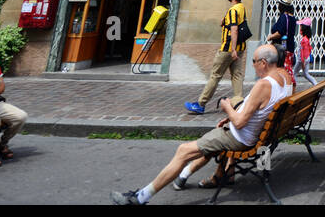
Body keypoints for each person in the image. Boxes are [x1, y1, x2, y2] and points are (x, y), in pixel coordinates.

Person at [113, 44, 292, 203]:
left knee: (183, 151)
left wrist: (226, 106)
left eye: (253, 61)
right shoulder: (285, 78)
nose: (252, 65)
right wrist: (232, 115)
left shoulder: (263, 85)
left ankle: (141, 197)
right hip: (261, 135)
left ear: (263, 63)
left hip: (241, 137)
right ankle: (208, 175)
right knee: (210, 141)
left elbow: (239, 123)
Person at [186, 0, 248, 114]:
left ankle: (200, 104)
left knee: (215, 75)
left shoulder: (233, 10)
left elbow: (234, 29)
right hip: (240, 47)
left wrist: (233, 49)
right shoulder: (241, 8)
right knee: (237, 75)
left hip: (228, 49)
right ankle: (239, 103)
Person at [268, 0, 298, 71]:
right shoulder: (292, 17)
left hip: (282, 48)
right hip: (289, 47)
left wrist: (270, 37)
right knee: (287, 69)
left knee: (282, 70)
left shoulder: (284, 17)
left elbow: (280, 32)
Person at [294, 19, 316, 85]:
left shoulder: (304, 39)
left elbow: (305, 52)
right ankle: (316, 84)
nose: (300, 28)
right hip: (304, 59)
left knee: (294, 73)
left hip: (302, 60)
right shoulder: (305, 38)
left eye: (301, 26)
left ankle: (293, 87)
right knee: (306, 74)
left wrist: (303, 62)